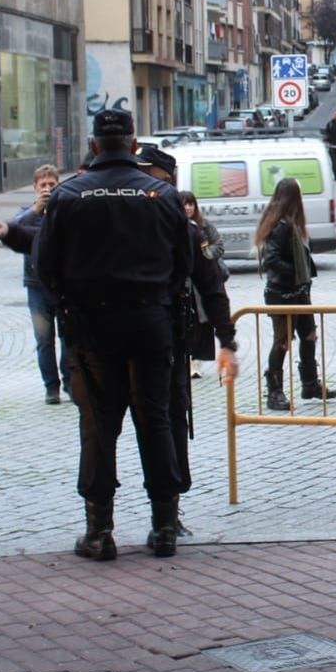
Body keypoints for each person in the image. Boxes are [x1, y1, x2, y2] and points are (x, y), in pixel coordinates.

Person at [33, 109, 194, 561]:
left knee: (98, 427)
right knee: (155, 421)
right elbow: (183, 265)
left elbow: (45, 267)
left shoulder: (68, 196)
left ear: (93, 145)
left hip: (91, 326)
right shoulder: (161, 195)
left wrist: (71, 301)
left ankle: (99, 531)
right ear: (134, 143)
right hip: (150, 321)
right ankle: (165, 526)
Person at [137, 145, 239, 547]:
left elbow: (210, 283)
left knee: (166, 423)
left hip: (166, 339)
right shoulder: (127, 213)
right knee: (108, 428)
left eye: (149, 173)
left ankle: (167, 517)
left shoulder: (181, 225)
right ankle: (101, 525)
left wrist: (225, 339)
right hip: (123, 338)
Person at [257, 178, 336, 411]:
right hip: (282, 293)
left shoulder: (290, 223)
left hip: (298, 291)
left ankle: (310, 384)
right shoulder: (280, 225)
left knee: (309, 335)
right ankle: (274, 392)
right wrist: (295, 273)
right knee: (282, 341)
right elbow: (271, 259)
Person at [11, 164, 70, 403]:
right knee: (44, 340)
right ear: (35, 187)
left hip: (62, 285)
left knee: (68, 338)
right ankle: (51, 387)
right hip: (36, 286)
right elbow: (13, 229)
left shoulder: (64, 211)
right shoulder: (27, 213)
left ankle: (69, 382)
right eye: (43, 185)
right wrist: (36, 209)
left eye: (51, 185)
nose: (47, 189)